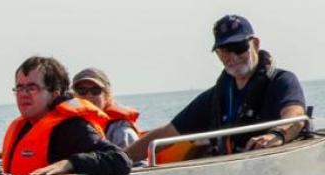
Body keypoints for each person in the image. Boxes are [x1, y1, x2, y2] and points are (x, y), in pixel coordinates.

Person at [123, 14, 307, 163]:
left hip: (271, 166)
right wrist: (119, 158)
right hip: (228, 173)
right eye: (224, 50)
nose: (232, 56)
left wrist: (277, 135)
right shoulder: (216, 97)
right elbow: (168, 133)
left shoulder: (282, 81)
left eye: (238, 47)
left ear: (255, 44)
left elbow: (296, 116)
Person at [3, 56, 132, 175]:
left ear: (54, 94)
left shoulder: (71, 127)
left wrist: (71, 163)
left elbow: (120, 160)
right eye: (19, 88)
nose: (23, 94)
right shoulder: (22, 128)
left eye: (32, 88)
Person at [72, 68, 140, 149]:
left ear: (107, 95)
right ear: (74, 95)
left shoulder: (122, 132)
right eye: (82, 90)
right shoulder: (69, 128)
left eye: (95, 90)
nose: (88, 95)